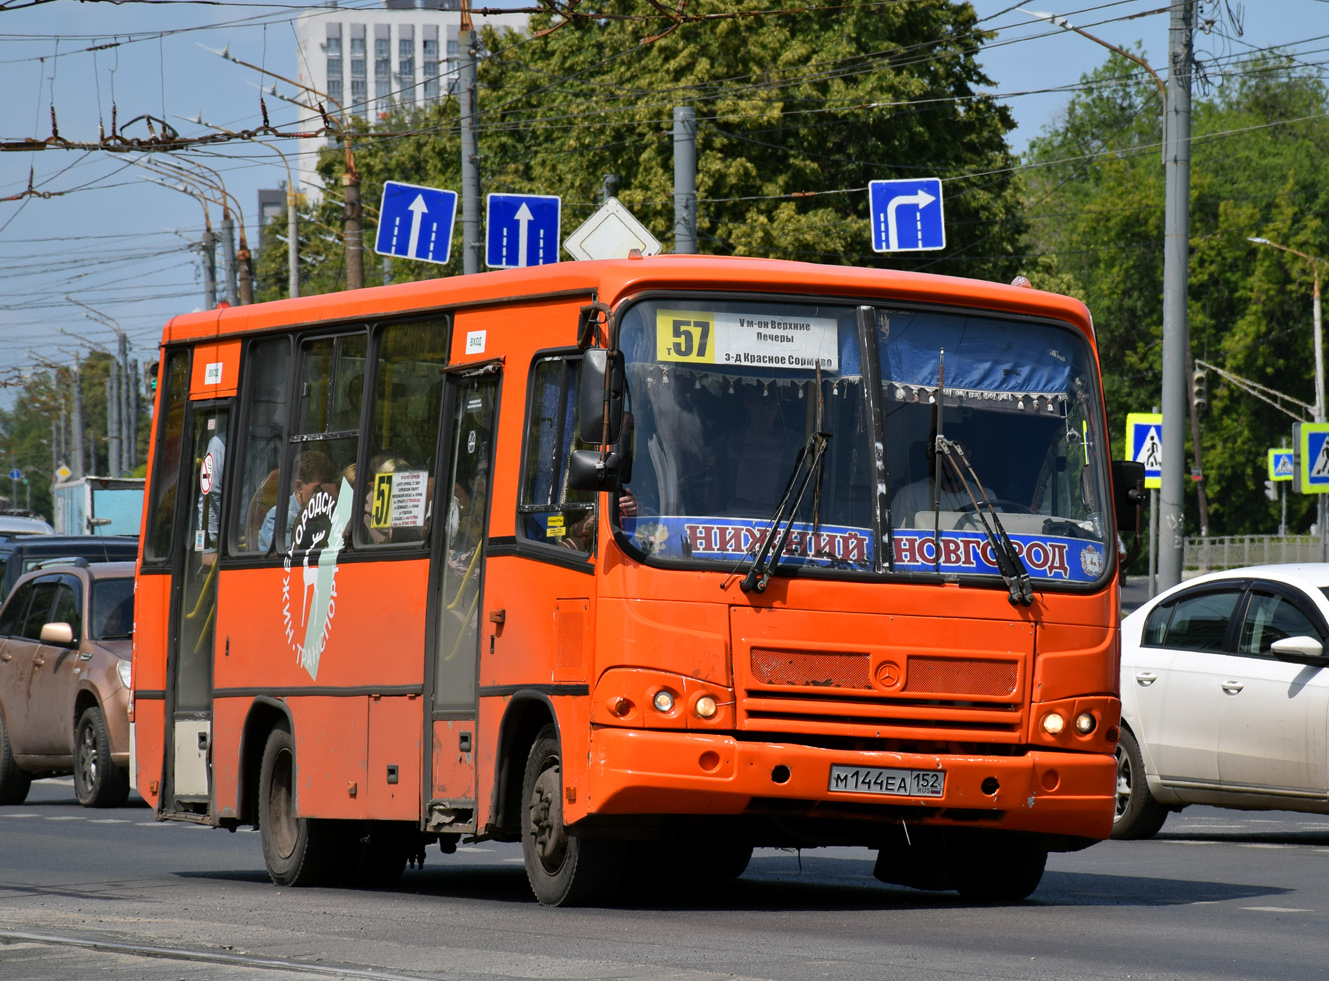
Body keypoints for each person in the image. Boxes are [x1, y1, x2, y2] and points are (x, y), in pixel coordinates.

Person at [891, 437, 990, 526]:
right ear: (933, 457)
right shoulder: (909, 496)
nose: (949, 460)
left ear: (968, 455)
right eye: (943, 453)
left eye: (956, 453)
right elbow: (894, 541)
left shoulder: (986, 497)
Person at [258, 449, 337, 553]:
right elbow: (288, 560)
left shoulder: (326, 512)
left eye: (327, 487)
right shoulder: (281, 517)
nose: (324, 494)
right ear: (299, 486)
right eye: (318, 489)